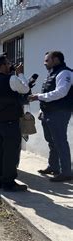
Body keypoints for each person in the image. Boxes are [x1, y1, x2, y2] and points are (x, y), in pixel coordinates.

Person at [0, 53, 30, 191]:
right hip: (10, 122)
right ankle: (8, 182)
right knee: (11, 153)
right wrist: (20, 74)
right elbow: (25, 89)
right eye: (8, 63)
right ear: (2, 66)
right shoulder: (11, 79)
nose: (10, 65)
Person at [29, 51, 73, 182]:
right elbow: (49, 91)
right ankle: (53, 166)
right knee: (52, 141)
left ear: (56, 59)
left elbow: (61, 92)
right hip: (49, 112)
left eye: (47, 60)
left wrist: (38, 97)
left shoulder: (64, 73)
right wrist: (43, 110)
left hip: (60, 112)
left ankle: (66, 172)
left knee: (60, 142)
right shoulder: (53, 73)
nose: (44, 63)